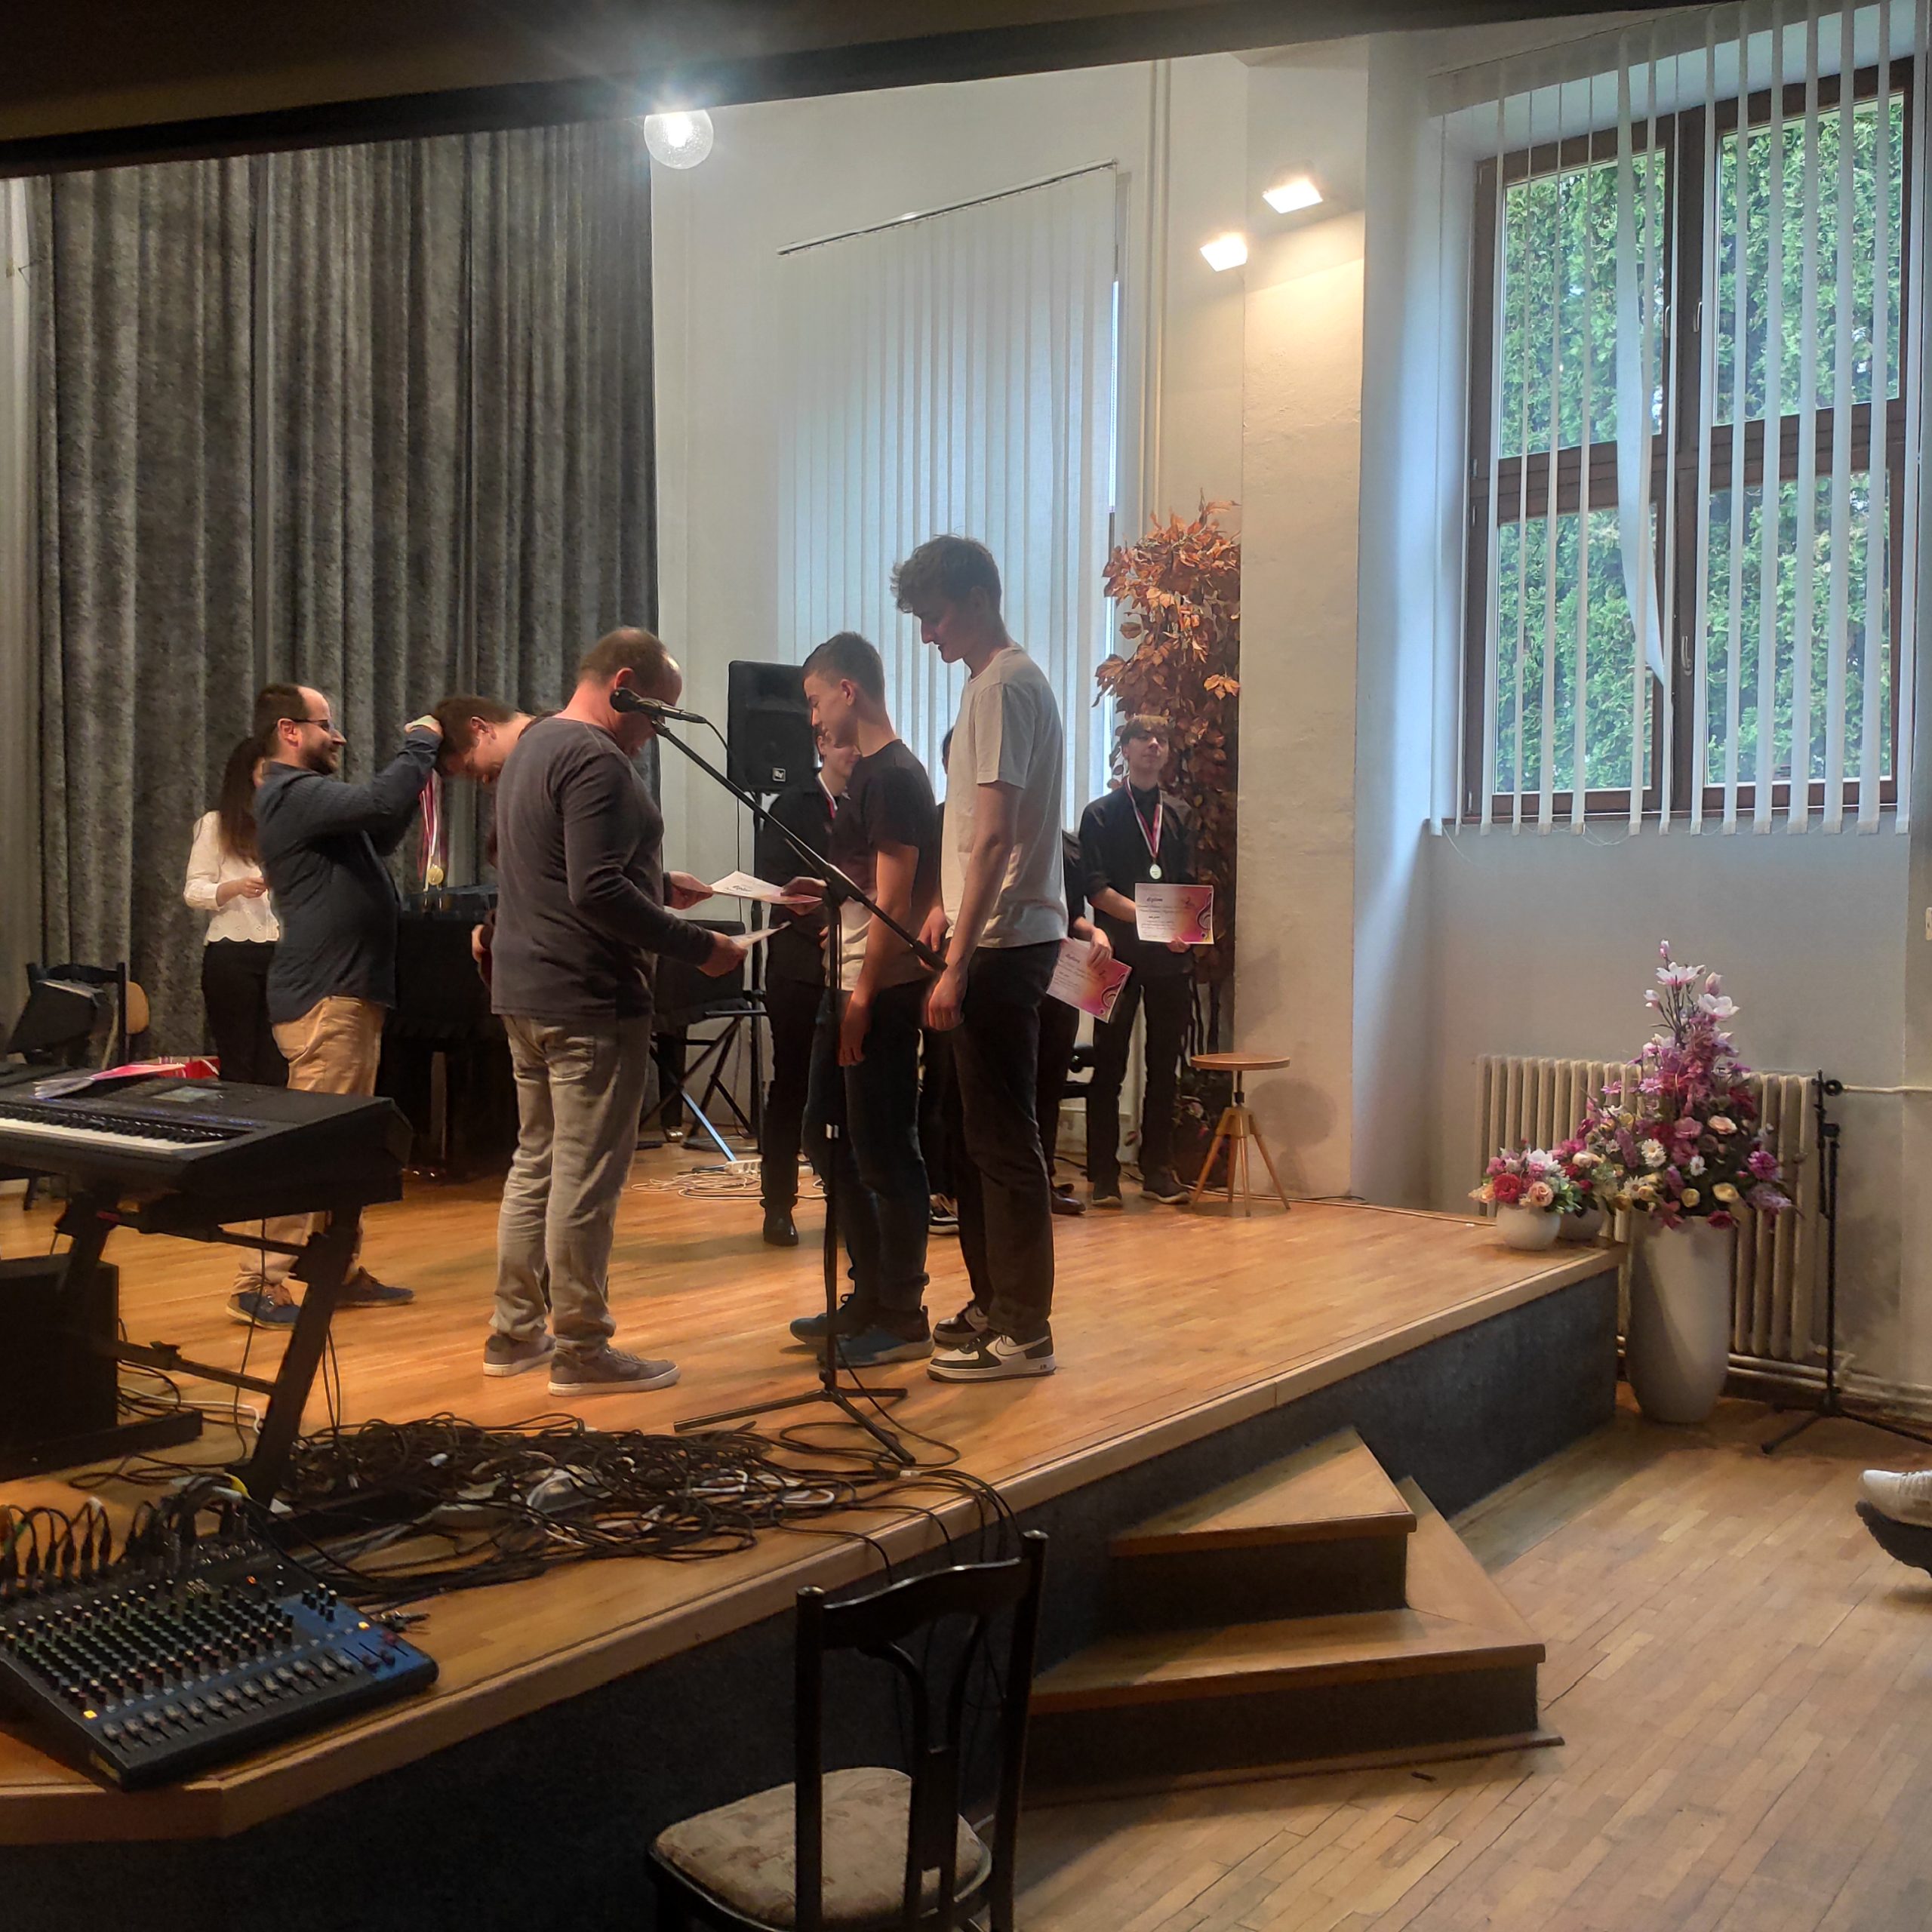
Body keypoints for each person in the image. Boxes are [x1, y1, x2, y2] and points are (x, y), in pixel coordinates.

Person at [486, 627, 746, 1396]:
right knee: (585, 1175)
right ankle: (582, 1347)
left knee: (537, 1163)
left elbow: (557, 864)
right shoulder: (597, 758)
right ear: (623, 682)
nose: (656, 730)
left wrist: (658, 885)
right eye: (656, 711)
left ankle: (514, 1332)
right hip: (588, 997)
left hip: (526, 990)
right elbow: (594, 890)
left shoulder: (533, 746)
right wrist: (699, 946)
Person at [897, 535, 1067, 1382]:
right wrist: (943, 904)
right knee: (972, 1139)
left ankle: (1024, 1329)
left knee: (1002, 1142)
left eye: (933, 616)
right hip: (990, 933)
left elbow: (999, 837)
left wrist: (958, 960)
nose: (927, 634)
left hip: (1003, 944)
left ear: (975, 598)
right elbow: (973, 827)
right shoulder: (990, 683)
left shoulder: (1003, 684)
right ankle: (994, 1301)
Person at [229, 685, 442, 1327]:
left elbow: (381, 825)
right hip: (328, 995)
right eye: (327, 725)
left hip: (348, 991)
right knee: (312, 1142)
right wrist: (422, 743)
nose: (339, 737)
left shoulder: (311, 803)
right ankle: (258, 1280)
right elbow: (379, 801)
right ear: (290, 730)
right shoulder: (291, 792)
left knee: (344, 1143)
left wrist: (415, 775)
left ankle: (334, 1268)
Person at [783, 632, 941, 1368]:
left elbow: (897, 902)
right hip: (845, 980)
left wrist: (864, 996)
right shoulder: (870, 776)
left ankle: (902, 1311)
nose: (813, 718)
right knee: (827, 1136)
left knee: (884, 1150)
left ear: (848, 690)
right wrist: (828, 896)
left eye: (816, 701)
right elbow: (869, 886)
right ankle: (869, 1290)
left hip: (875, 990)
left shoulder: (895, 776)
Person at [1080, 715, 1198, 1208]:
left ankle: (1158, 1170)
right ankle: (1103, 1175)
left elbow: (1187, 884)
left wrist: (1184, 929)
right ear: (1124, 749)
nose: (1154, 745)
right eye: (1143, 738)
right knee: (1108, 1066)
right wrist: (1153, 920)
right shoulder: (1100, 814)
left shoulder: (1180, 814)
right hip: (1112, 954)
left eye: (1161, 739)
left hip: (1169, 959)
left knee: (1164, 1067)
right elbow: (1095, 890)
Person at [755, 723, 857, 1248]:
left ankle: (846, 1203)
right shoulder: (791, 805)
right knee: (792, 1084)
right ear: (822, 744)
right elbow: (777, 882)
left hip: (854, 967)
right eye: (843, 741)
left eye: (860, 741)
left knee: (845, 1093)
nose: (854, 750)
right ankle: (778, 1204)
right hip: (799, 968)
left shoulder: (870, 803)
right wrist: (825, 928)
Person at [185, 736, 285, 1089]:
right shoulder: (215, 825)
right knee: (238, 1064)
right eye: (266, 773)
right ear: (246, 777)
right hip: (232, 955)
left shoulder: (285, 824)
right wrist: (235, 887)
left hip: (282, 956)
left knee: (278, 1065)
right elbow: (193, 891)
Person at [1038, 829, 1112, 1216]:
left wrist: (1096, 932)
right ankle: (1027, 1179)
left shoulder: (1069, 846)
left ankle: (1044, 1176)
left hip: (1063, 975)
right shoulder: (1013, 835)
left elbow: (1075, 917)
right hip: (1020, 969)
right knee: (1021, 1083)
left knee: (1050, 1081)